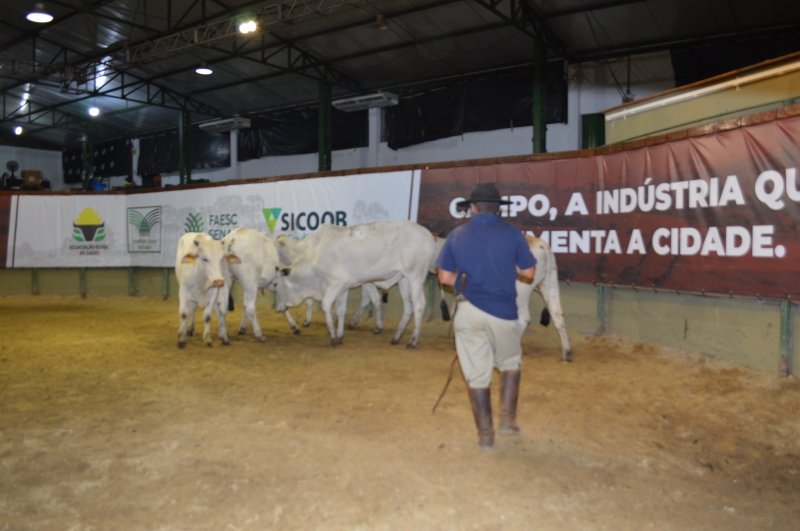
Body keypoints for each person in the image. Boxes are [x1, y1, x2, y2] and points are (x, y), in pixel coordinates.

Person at [437, 182, 536, 450]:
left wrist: (466, 280)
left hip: (467, 311)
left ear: (472, 208)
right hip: (503, 313)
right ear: (498, 209)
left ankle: (486, 437)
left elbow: (444, 277)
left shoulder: (456, 235)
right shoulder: (514, 235)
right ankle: (507, 419)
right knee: (511, 361)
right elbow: (528, 274)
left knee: (476, 374)